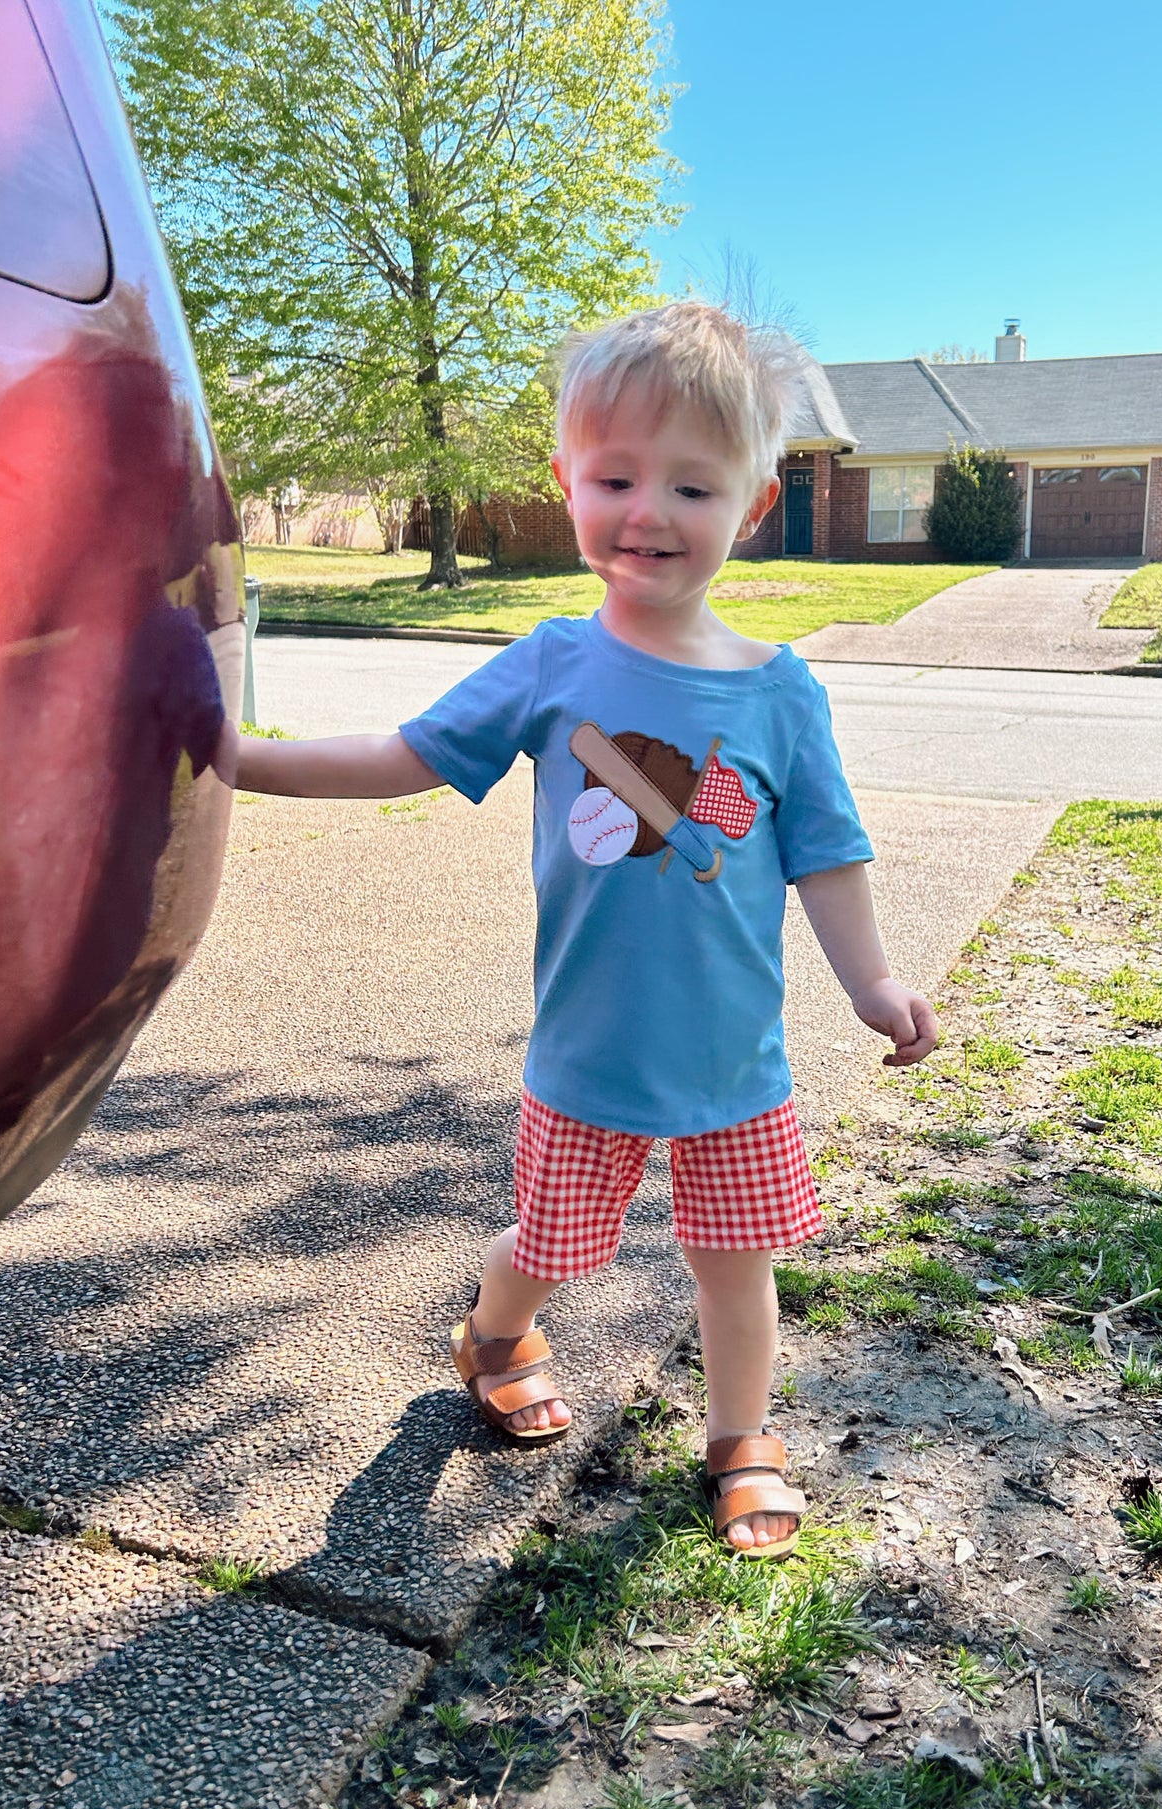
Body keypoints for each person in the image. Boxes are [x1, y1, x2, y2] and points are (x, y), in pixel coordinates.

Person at [235, 303, 938, 1558]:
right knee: (550, 1241)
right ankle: (494, 1333)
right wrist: (239, 758)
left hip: (735, 1065)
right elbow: (403, 756)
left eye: (689, 484)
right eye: (613, 477)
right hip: (588, 1057)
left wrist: (872, 980)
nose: (647, 512)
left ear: (753, 504)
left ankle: (741, 1438)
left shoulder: (779, 693)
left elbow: (825, 856)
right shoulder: (553, 663)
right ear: (565, 481)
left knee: (737, 1264)